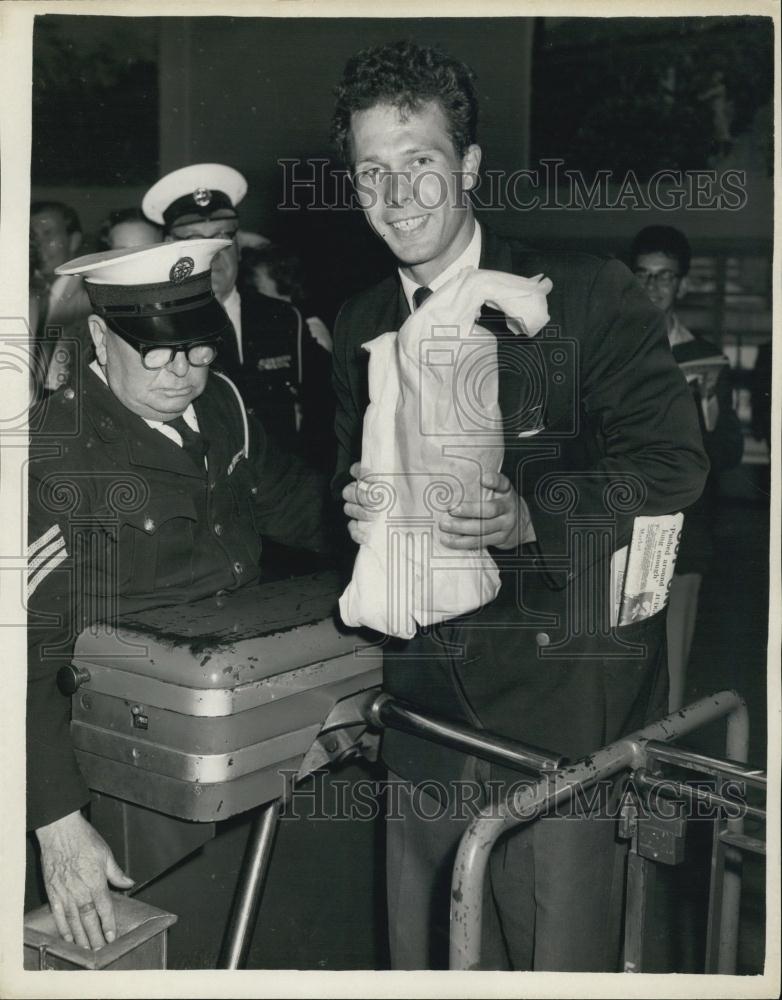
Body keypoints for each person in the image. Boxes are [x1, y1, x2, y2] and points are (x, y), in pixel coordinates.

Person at [330, 41, 709, 971]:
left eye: (421, 163)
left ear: (467, 168)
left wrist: (533, 515)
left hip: (562, 712)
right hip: (423, 707)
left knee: (561, 963)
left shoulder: (584, 295)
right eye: (371, 171)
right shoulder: (357, 324)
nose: (398, 193)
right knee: (433, 962)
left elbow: (671, 465)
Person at [27, 239, 331, 951]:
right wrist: (57, 825)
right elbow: (20, 655)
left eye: (197, 351)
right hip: (115, 769)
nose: (182, 374)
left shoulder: (223, 404)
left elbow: (300, 509)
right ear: (101, 337)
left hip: (233, 725)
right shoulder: (53, 453)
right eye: (157, 353)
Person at [630, 225, 743, 712]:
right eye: (645, 275)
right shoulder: (612, 350)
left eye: (665, 277)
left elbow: (727, 454)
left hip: (684, 534)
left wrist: (711, 400)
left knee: (674, 660)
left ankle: (656, 772)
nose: (654, 287)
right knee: (624, 652)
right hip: (624, 526)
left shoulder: (704, 356)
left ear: (682, 284)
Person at [142, 164, 309, 453]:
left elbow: (323, 404)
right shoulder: (156, 326)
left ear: (238, 244)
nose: (212, 254)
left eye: (222, 237)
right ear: (169, 247)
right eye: (194, 241)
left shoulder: (282, 318)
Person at [29, 200, 93, 390]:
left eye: (48, 234)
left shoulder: (89, 299)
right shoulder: (29, 295)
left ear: (74, 240)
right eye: (33, 237)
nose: (39, 245)